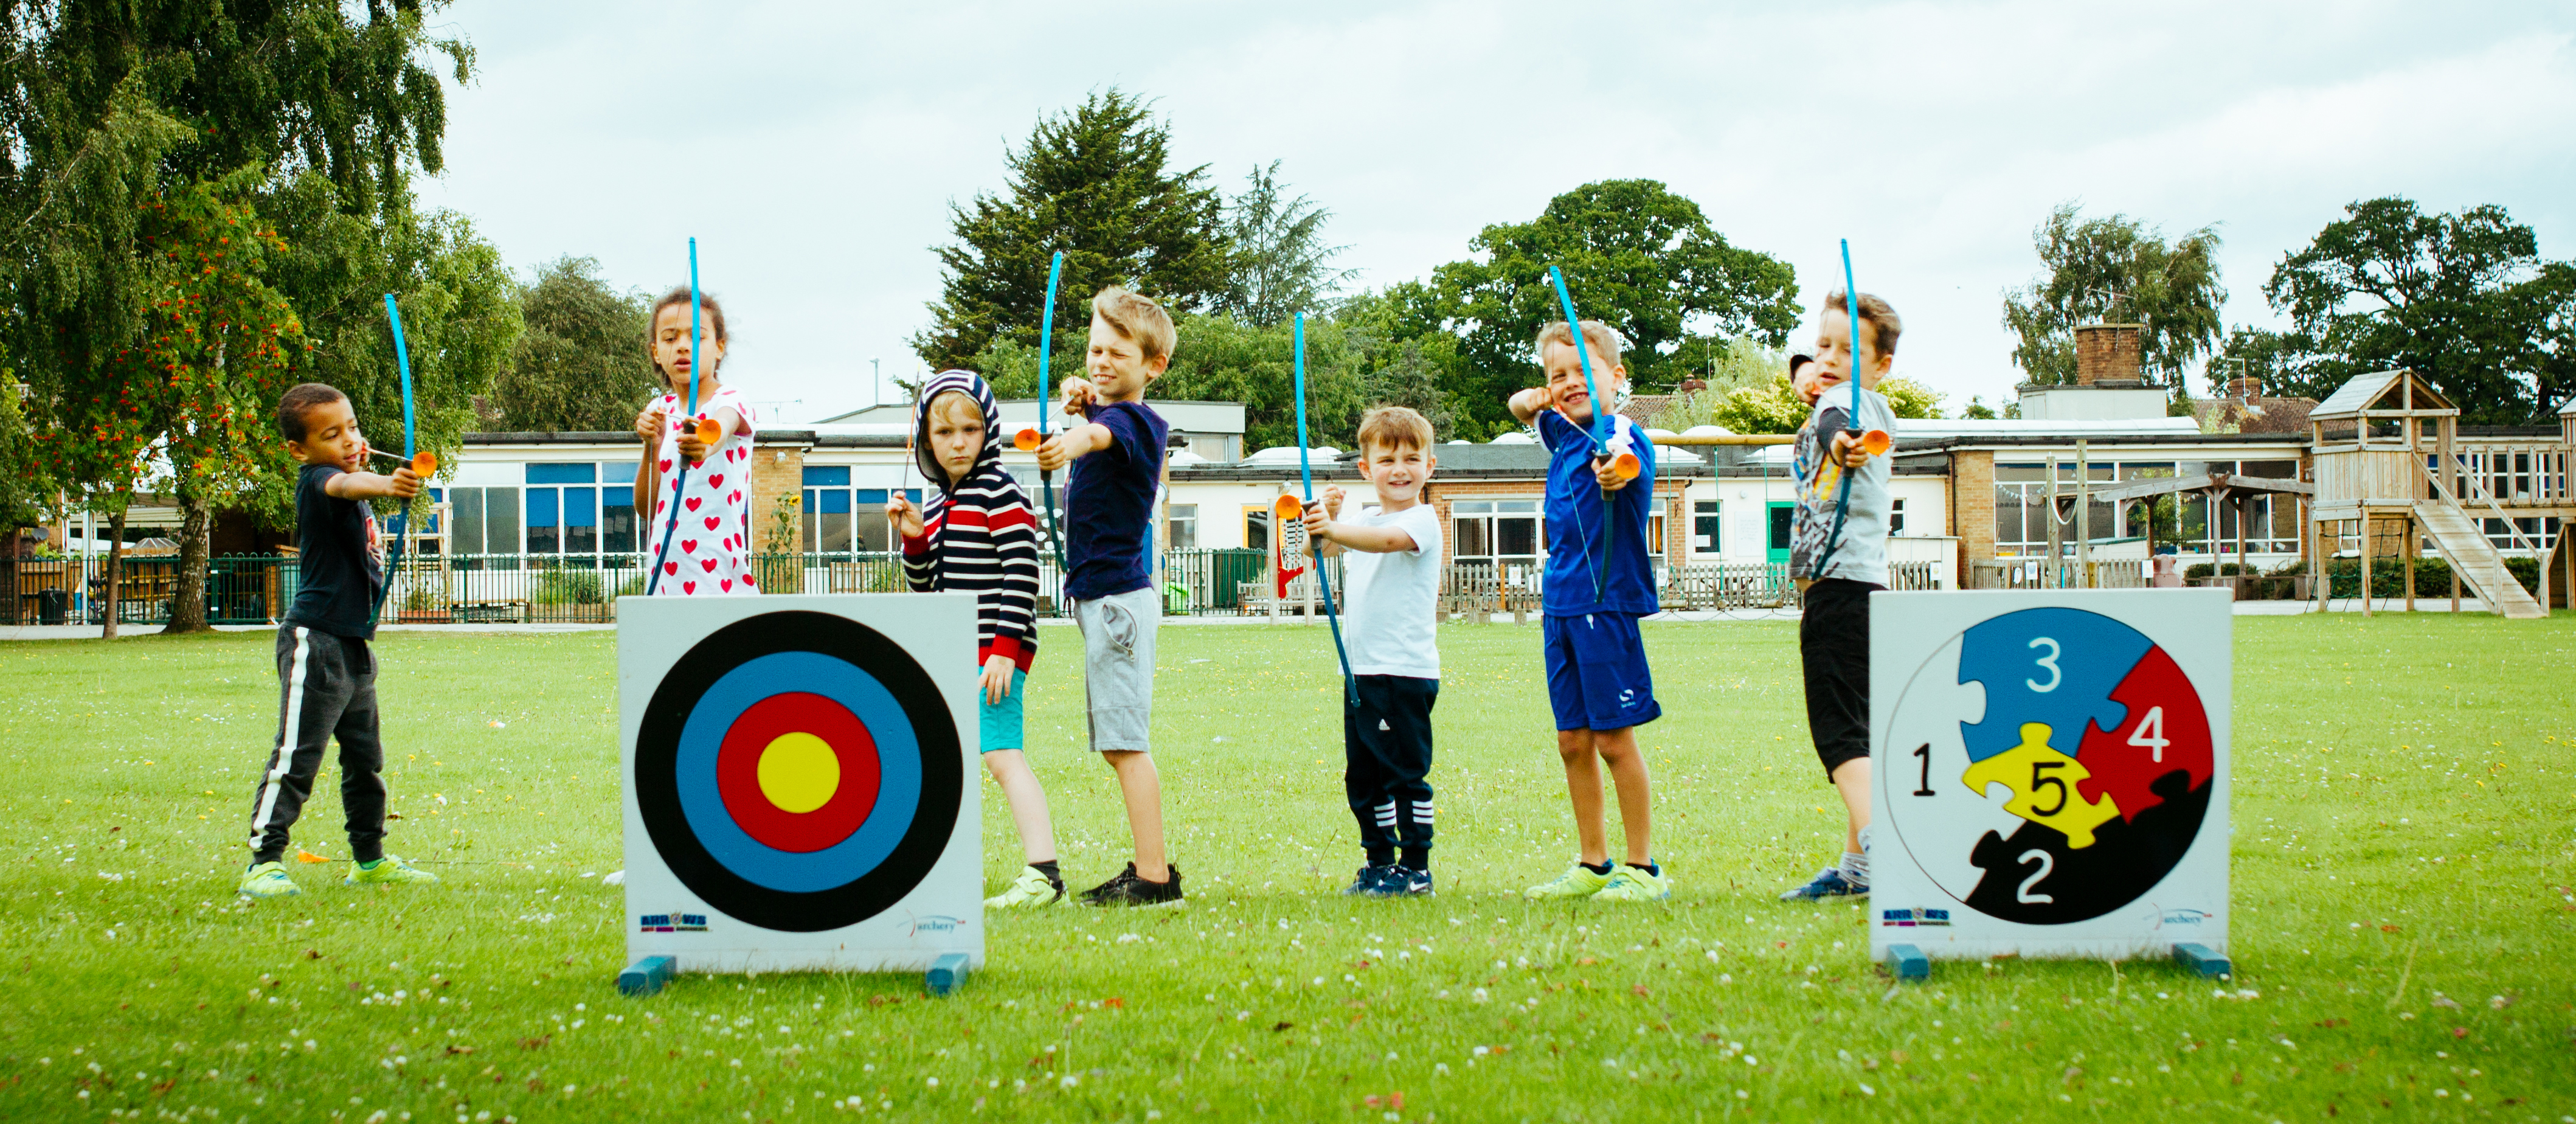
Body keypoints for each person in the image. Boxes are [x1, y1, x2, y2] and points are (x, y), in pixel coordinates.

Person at [238, 383, 440, 898]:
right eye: (332, 434)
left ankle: (369, 860)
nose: (349, 439)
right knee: (298, 755)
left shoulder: (350, 473)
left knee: (364, 758)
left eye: (352, 427)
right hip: (317, 640)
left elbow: (356, 485)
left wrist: (374, 478)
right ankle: (263, 862)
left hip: (353, 643)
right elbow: (343, 488)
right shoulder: (318, 481)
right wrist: (383, 484)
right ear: (299, 450)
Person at [1508, 320, 1672, 904]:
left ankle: (1642, 868)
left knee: (1613, 741)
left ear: (1617, 378)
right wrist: (1531, 401)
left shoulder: (1621, 437)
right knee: (1573, 741)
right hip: (1562, 606)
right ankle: (1594, 863)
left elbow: (1622, 466)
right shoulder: (1564, 433)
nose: (1572, 383)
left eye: (1585, 371)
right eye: (1559, 375)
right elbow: (1523, 406)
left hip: (1606, 604)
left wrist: (1612, 471)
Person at [887, 371, 1062, 907]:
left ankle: (1045, 875)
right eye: (944, 434)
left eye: (970, 429)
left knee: (1003, 755)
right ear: (926, 440)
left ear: (989, 431)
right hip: (959, 653)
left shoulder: (1000, 491)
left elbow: (1022, 571)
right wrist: (916, 540)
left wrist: (1005, 652)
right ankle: (941, 863)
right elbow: (929, 591)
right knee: (951, 757)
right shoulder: (938, 504)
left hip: (996, 653)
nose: (958, 442)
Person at [1032, 286, 1180, 907]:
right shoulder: (1106, 411)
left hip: (1118, 603)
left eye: (1117, 353)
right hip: (1107, 600)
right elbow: (1091, 405)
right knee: (1118, 744)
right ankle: (1149, 872)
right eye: (1095, 349)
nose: (1101, 361)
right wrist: (1076, 400)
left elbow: (1101, 436)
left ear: (1153, 366)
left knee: (1125, 745)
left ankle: (1154, 878)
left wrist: (1072, 438)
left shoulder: (1133, 424)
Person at [1781, 291, 1903, 902]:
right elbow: (1810, 376)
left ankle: (1891, 853)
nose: (1829, 359)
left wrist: (1840, 443)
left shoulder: (1853, 410)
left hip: (1841, 595)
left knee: (1840, 738)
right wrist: (1806, 367)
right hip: (1856, 593)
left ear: (1881, 367)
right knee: (1858, 729)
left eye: (1849, 351)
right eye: (1824, 345)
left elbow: (1837, 424)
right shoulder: (1845, 391)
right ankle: (1858, 871)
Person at [1301, 406, 1444, 898]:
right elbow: (1316, 551)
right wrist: (1325, 520)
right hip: (1361, 673)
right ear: (1366, 469)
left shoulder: (1423, 521)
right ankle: (1379, 861)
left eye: (1411, 458)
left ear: (1430, 466)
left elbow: (1384, 542)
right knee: (1364, 775)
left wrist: (1336, 528)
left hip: (1402, 674)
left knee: (1404, 773)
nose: (1399, 469)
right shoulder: (1360, 519)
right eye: (1386, 460)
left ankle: (1415, 865)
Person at [632, 288, 760, 595]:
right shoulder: (658, 410)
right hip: (664, 579)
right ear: (656, 352)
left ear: (719, 348)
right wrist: (652, 446)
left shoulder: (730, 400)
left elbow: (723, 425)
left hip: (721, 579)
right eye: (670, 338)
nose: (682, 347)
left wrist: (703, 443)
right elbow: (646, 508)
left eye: (697, 337)